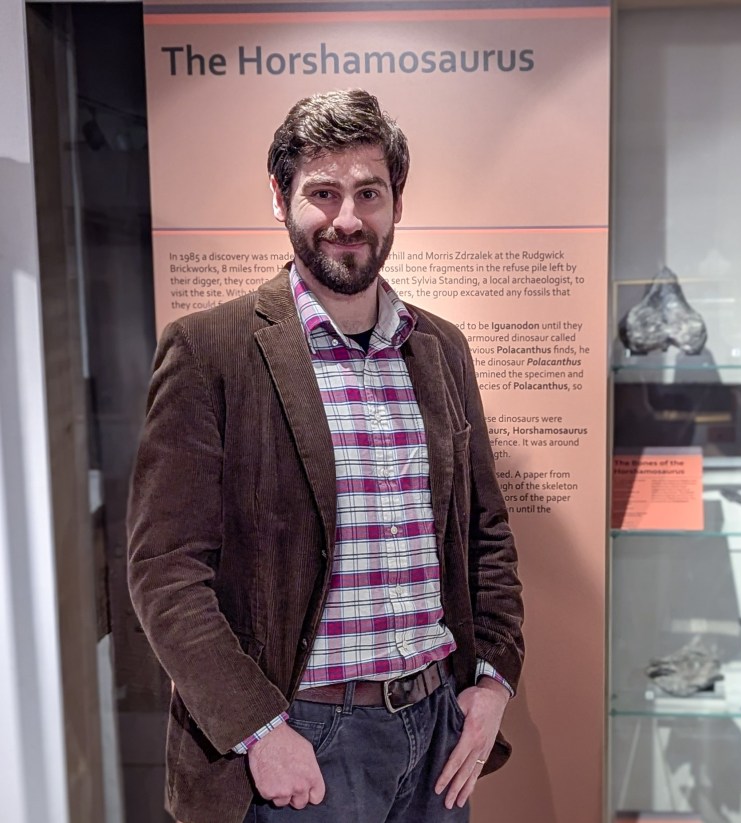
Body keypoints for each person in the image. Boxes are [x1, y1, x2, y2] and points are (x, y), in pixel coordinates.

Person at [127, 88, 525, 823]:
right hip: (297, 742)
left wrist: (494, 681)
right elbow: (165, 571)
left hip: (437, 732)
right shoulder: (208, 352)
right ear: (280, 199)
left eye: (369, 192)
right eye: (323, 193)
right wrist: (258, 728)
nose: (347, 218)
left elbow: (486, 532)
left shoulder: (441, 348)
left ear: (396, 202)